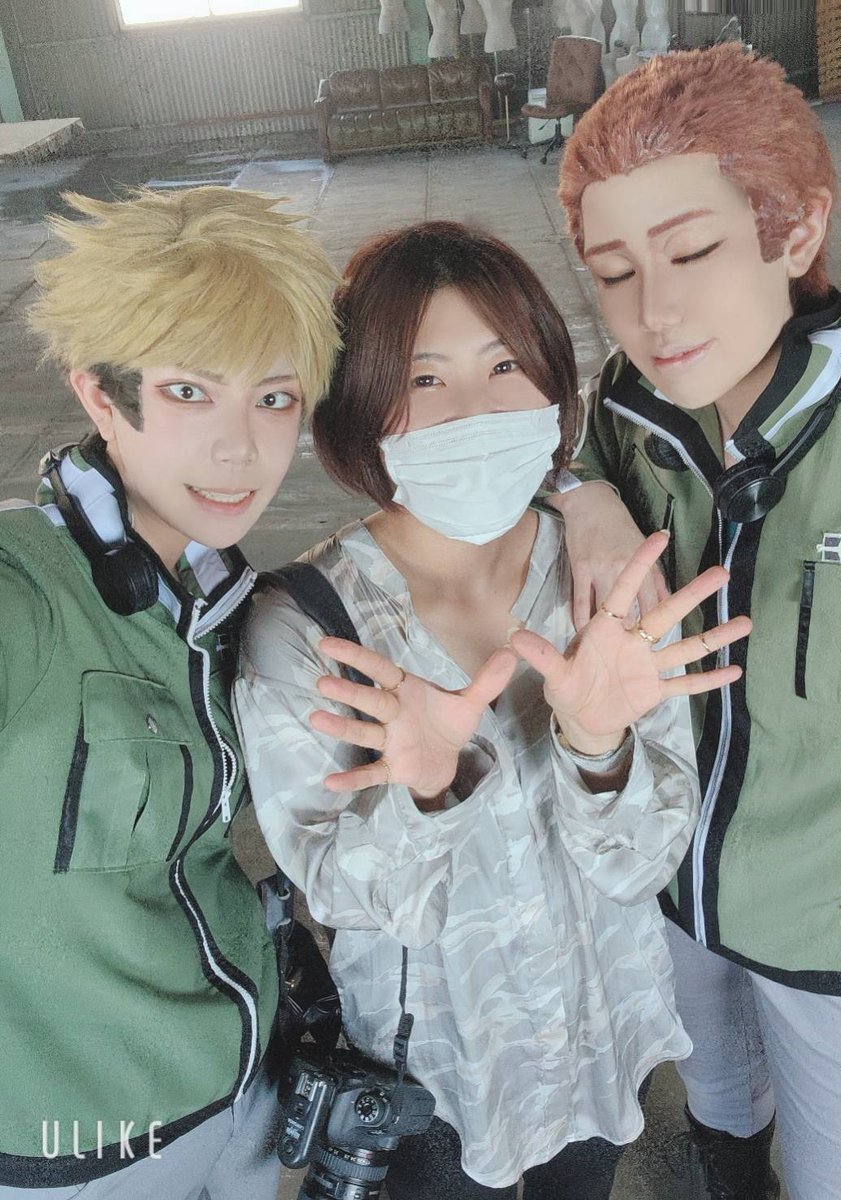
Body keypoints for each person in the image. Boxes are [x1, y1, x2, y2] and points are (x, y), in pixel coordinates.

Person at [232, 220, 751, 1200]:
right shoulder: (306, 630)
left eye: (506, 363)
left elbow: (644, 863)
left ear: (553, 378)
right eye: (424, 377)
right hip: (436, 1070)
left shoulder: (607, 579)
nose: (475, 408)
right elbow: (345, 896)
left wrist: (597, 746)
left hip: (598, 1034)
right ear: (361, 405)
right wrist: (429, 794)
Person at [552, 42, 841, 1200]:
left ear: (796, 232)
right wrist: (581, 495)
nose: (653, 312)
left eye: (693, 251)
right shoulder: (624, 416)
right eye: (613, 272)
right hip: (673, 894)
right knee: (717, 1102)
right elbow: (533, 446)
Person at [0, 186, 339, 1199]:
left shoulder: (225, 594)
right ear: (102, 398)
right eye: (191, 390)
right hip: (81, 1150)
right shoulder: (28, 590)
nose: (241, 448)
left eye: (273, 398)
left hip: (249, 1093)